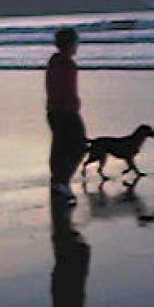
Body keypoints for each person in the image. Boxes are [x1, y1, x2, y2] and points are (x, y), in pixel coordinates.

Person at [46, 27, 87, 205]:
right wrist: (74, 104)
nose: (77, 46)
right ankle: (61, 181)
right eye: (76, 42)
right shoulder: (66, 63)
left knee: (60, 147)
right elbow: (67, 89)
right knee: (78, 146)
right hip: (66, 111)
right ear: (71, 44)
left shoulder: (54, 60)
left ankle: (58, 181)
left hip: (54, 110)